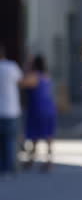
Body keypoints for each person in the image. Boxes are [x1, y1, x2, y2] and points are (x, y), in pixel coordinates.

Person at [22, 55, 57, 172]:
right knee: (47, 136)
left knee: (34, 134)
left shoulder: (33, 76)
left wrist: (26, 68)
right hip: (49, 108)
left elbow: (21, 83)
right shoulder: (46, 76)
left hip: (38, 108)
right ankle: (47, 161)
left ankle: (32, 159)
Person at [0, 43, 23, 179]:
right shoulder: (11, 66)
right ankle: (10, 167)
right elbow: (21, 82)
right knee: (11, 141)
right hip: (11, 110)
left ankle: (3, 167)